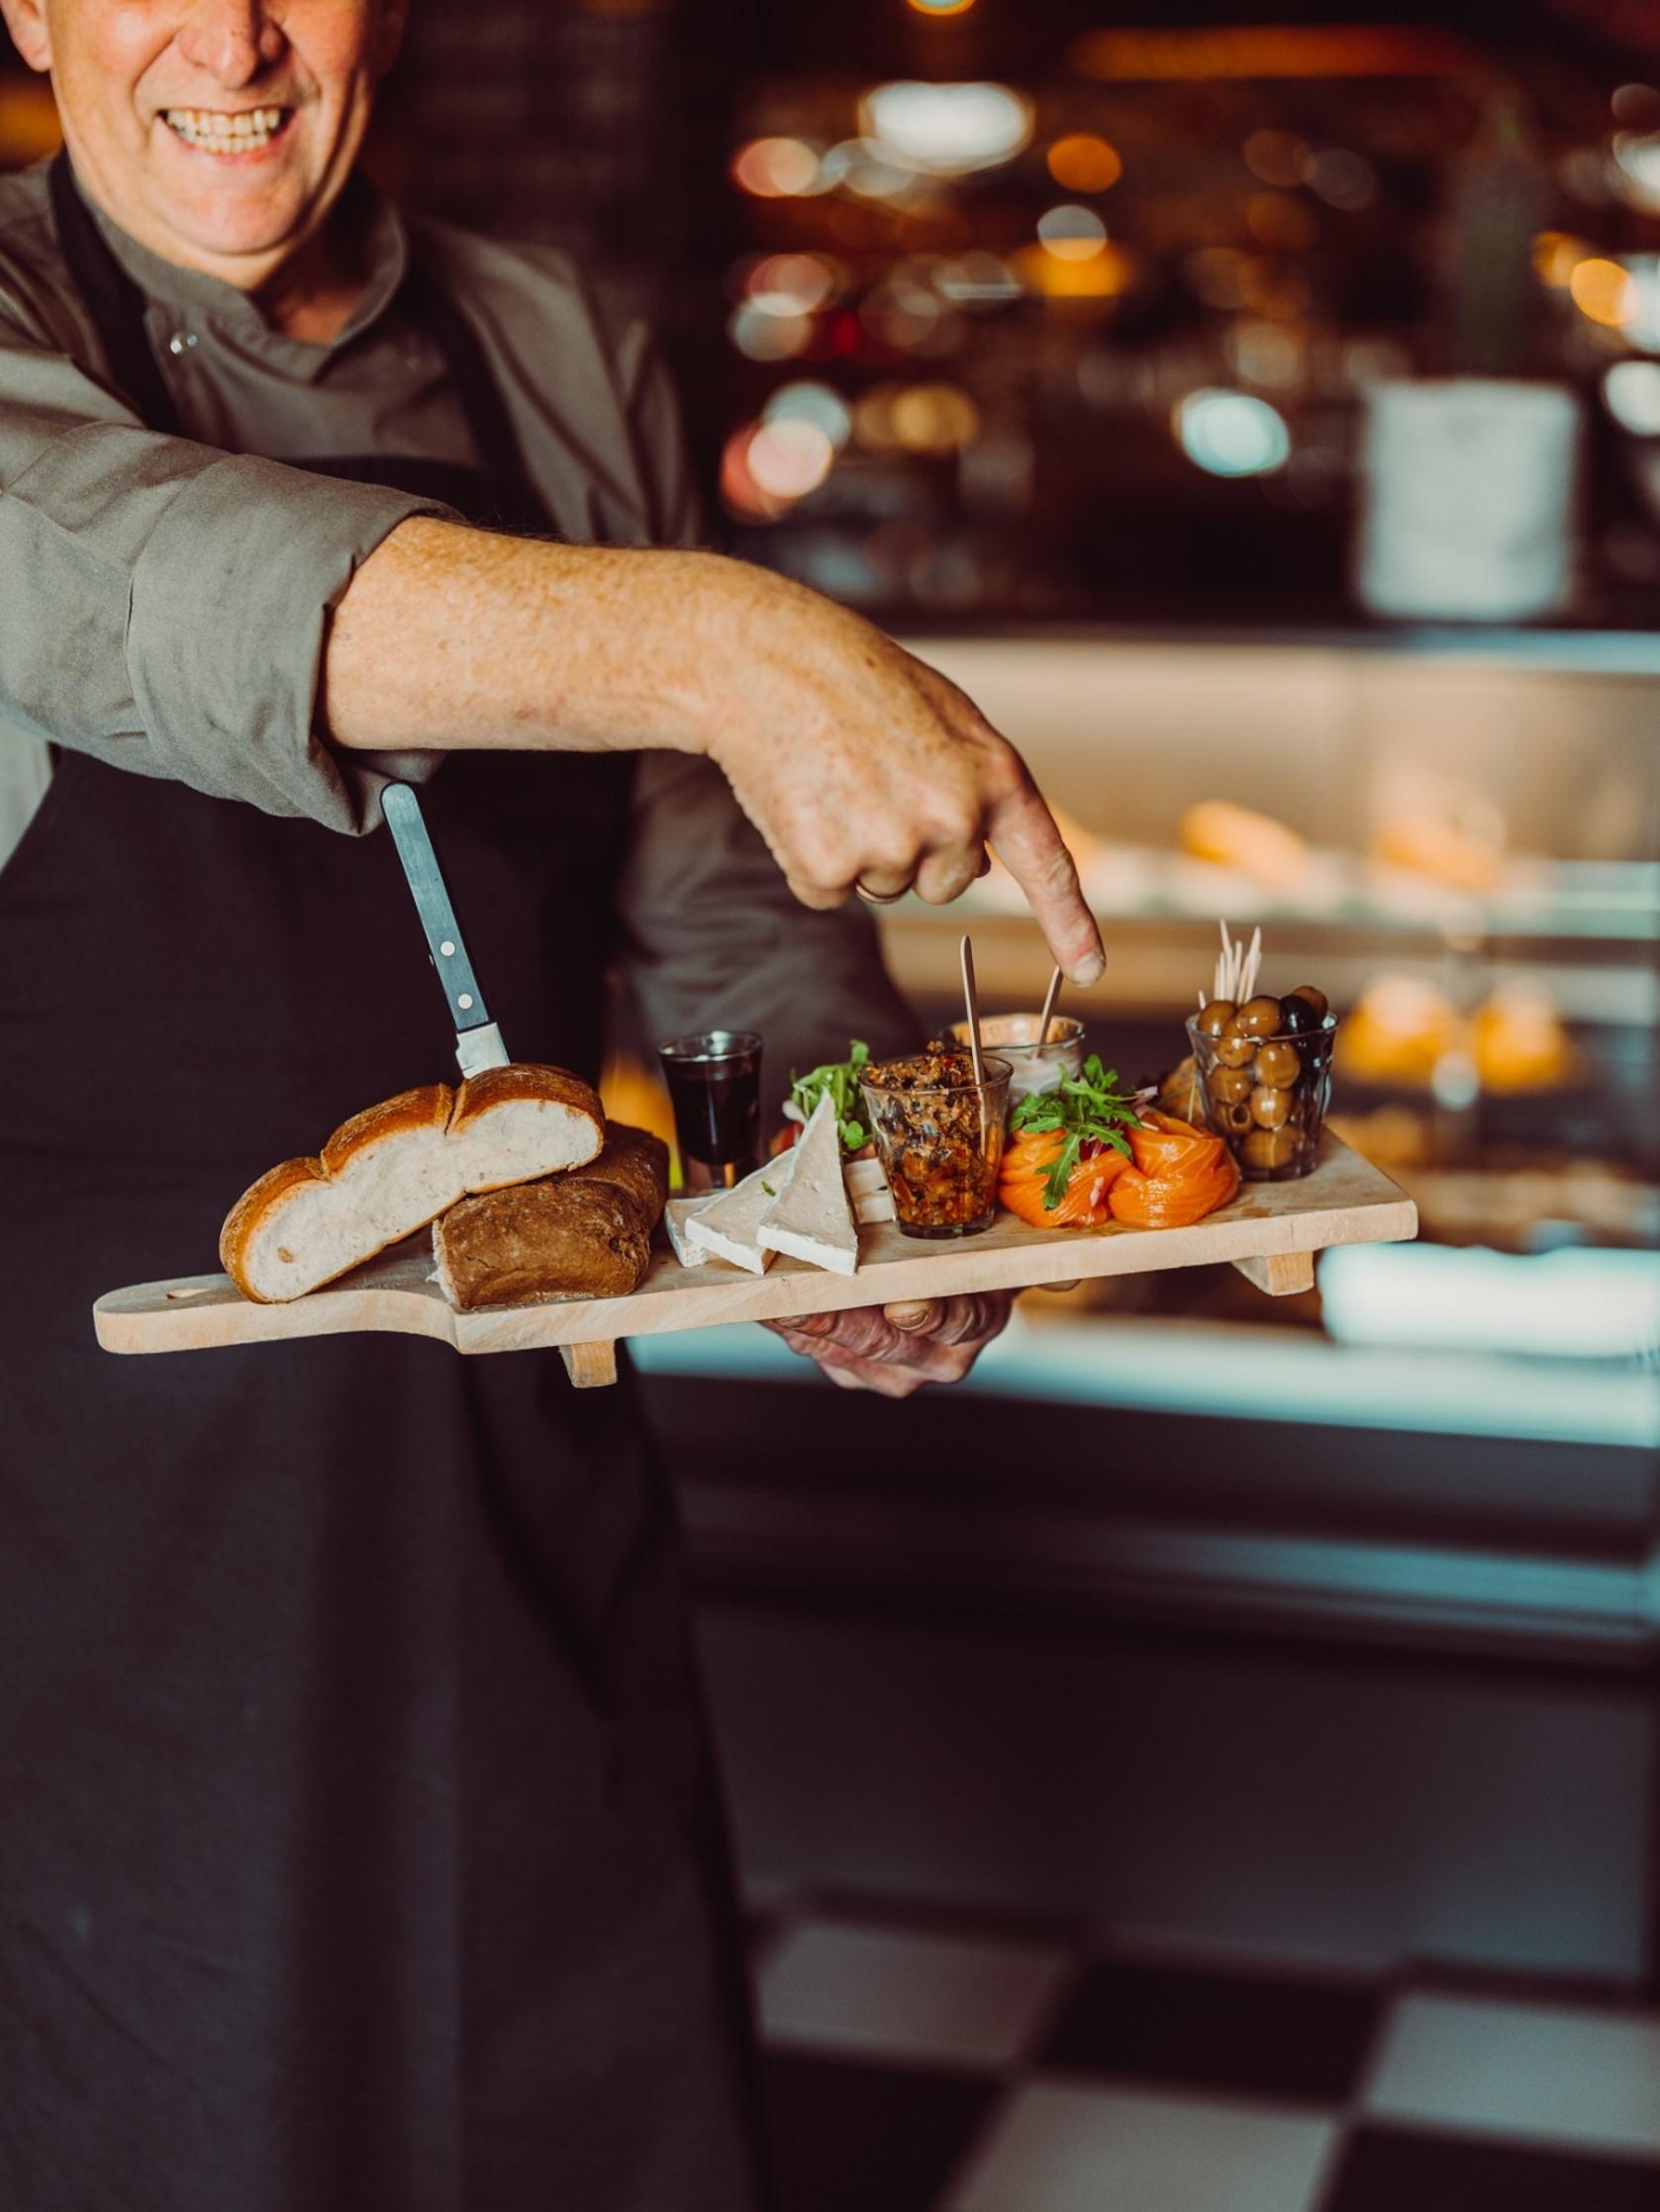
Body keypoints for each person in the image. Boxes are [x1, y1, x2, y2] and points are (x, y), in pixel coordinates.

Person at [0, 2, 1103, 2204]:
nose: (228, 35)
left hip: (512, 1434)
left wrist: (837, 1178)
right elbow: (132, 568)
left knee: (564, 2082)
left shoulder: (558, 346)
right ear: (29, 8)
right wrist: (718, 632)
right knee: (161, 2092)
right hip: (81, 1492)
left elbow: (719, 900)